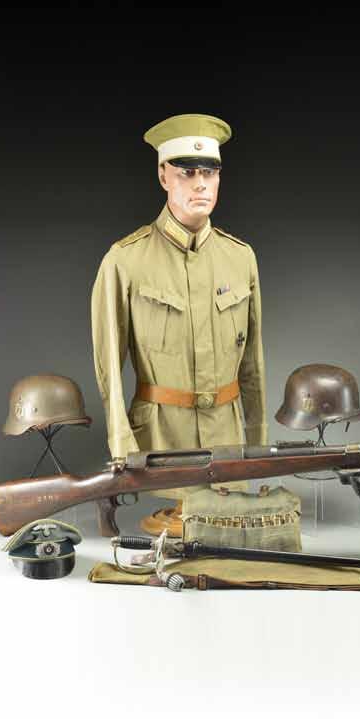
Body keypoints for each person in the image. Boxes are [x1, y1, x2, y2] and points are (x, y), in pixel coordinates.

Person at [91, 114, 267, 523]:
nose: (201, 184)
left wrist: (257, 448)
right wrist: (123, 447)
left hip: (226, 437)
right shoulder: (126, 260)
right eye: (187, 172)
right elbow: (109, 367)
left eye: (210, 172)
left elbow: (253, 366)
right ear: (163, 176)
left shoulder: (240, 257)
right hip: (162, 440)